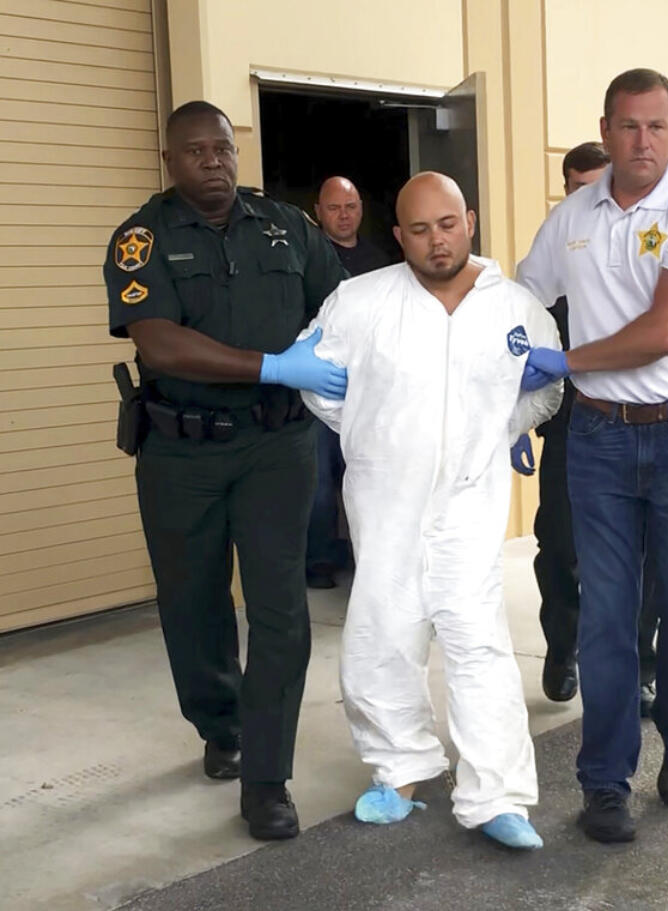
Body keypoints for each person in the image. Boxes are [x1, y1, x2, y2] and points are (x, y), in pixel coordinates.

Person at [103, 100, 348, 840]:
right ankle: (220, 724)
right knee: (194, 601)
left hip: (277, 446)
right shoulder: (141, 239)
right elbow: (161, 345)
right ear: (169, 159)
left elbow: (344, 310)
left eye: (224, 147)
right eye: (197, 150)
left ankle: (267, 777)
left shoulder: (289, 226)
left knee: (281, 608)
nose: (214, 160)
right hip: (180, 451)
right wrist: (273, 364)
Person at [299, 172, 562, 850]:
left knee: (479, 643)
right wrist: (375, 439)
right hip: (385, 501)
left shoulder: (516, 306)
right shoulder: (360, 301)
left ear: (469, 219)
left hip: (470, 503)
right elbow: (322, 386)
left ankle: (496, 795)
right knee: (383, 630)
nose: (435, 240)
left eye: (446, 224)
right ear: (399, 235)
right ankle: (400, 768)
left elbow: (545, 389)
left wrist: (502, 429)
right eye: (418, 229)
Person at [517, 68, 668, 843]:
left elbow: (667, 331)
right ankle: (603, 781)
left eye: (655, 126)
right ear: (606, 129)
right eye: (626, 125)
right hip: (599, 438)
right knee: (606, 618)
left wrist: (569, 360)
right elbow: (523, 301)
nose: (640, 140)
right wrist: (516, 391)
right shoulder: (572, 215)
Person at [510, 141, 663, 716]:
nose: (584, 198)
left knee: (647, 554)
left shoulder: (644, 249)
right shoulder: (557, 245)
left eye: (592, 186)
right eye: (572, 188)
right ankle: (563, 649)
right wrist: (516, 419)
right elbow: (517, 329)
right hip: (572, 422)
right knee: (561, 545)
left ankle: (642, 667)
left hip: (644, 418)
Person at [306, 176, 394, 589]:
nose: (344, 215)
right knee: (320, 484)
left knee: (369, 478)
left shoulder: (381, 262)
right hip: (320, 388)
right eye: (335, 207)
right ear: (318, 211)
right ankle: (320, 562)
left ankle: (369, 562)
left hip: (370, 389)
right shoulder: (307, 257)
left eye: (351, 206)